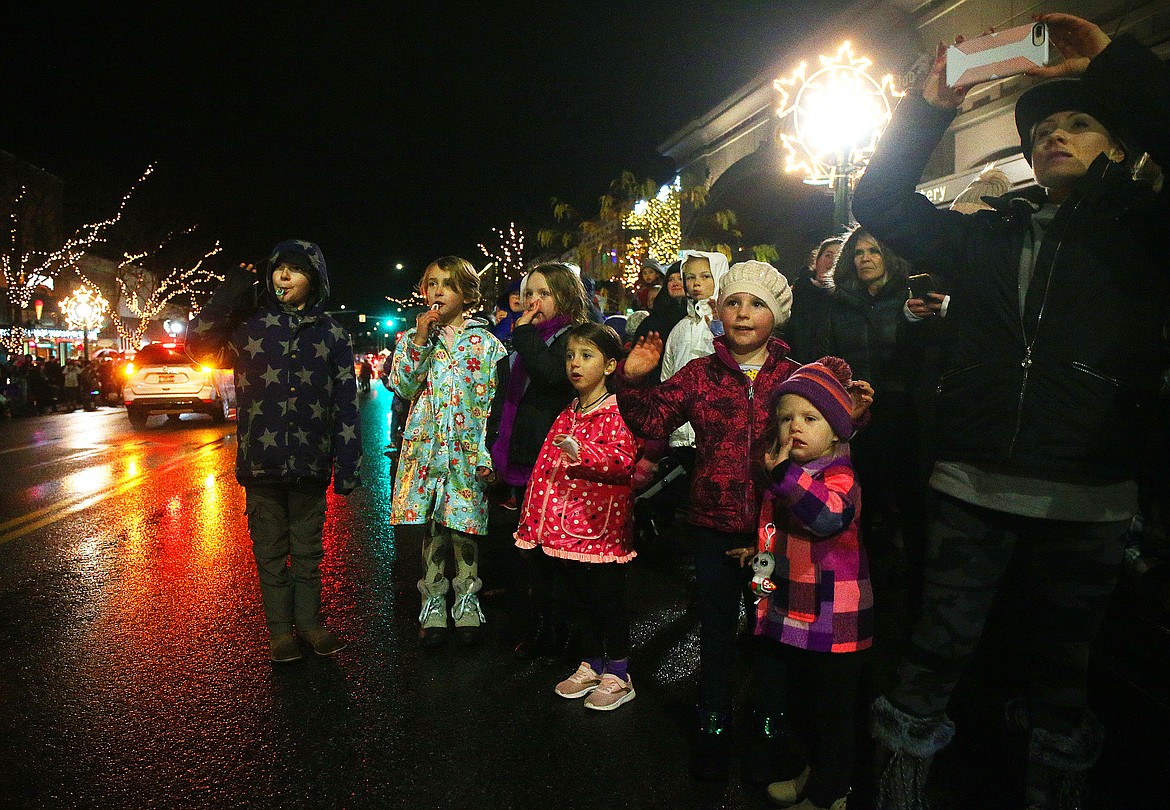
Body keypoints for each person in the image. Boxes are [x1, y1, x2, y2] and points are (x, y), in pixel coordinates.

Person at [852, 14, 1170, 809]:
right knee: (935, 655)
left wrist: (1110, 66)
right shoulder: (988, 237)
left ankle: (1053, 791)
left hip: (1088, 492)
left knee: (1066, 673)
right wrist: (926, 108)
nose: (1055, 135)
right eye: (1043, 130)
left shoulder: (1148, 234)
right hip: (972, 485)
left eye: (1080, 122)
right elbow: (880, 199)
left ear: (1122, 146)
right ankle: (902, 785)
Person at [618, 260, 873, 781]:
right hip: (712, 525)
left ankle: (768, 733)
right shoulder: (699, 373)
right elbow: (653, 419)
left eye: (757, 303)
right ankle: (713, 727)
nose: (743, 312)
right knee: (715, 629)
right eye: (733, 301)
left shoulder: (795, 374)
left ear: (776, 314)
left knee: (773, 638)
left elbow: (826, 430)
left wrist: (855, 414)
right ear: (718, 309)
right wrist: (631, 379)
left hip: (778, 527)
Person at [187, 241, 360, 663]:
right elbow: (200, 346)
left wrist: (349, 462)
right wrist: (231, 290)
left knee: (307, 552)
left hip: (310, 463)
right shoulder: (250, 328)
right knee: (269, 553)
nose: (284, 276)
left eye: (295, 270)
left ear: (315, 280)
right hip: (261, 467)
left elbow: (345, 402)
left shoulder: (333, 333)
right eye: (279, 269)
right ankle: (280, 633)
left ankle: (312, 625)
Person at [728, 357, 870, 810]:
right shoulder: (788, 475)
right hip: (795, 608)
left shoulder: (837, 475)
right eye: (786, 418)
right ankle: (814, 775)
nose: (796, 428)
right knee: (806, 707)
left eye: (811, 418)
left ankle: (832, 792)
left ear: (837, 427)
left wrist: (785, 475)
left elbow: (826, 516)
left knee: (833, 714)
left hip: (835, 619)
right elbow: (776, 527)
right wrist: (759, 558)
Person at [515, 322, 640, 711]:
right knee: (579, 599)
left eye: (586, 356)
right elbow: (544, 471)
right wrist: (533, 520)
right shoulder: (568, 411)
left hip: (599, 529)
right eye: (570, 355)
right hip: (565, 529)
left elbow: (623, 462)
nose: (574, 364)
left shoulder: (617, 410)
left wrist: (582, 454)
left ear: (609, 365)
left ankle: (619, 673)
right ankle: (591, 663)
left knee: (607, 600)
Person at [388, 256, 506, 647]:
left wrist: (489, 453)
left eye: (448, 284)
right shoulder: (413, 338)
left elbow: (496, 402)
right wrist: (420, 341)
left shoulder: (487, 344)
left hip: (468, 450)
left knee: (465, 526)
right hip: (428, 450)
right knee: (435, 525)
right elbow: (404, 387)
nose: (437, 292)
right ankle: (434, 600)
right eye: (431, 283)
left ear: (467, 293)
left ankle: (468, 599)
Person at [815, 226, 929, 607]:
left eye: (873, 251)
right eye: (859, 252)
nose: (865, 258)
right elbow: (828, 357)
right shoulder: (838, 303)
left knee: (909, 498)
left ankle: (916, 585)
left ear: (889, 257)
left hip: (900, 412)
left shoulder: (908, 300)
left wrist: (914, 323)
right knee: (859, 498)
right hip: (855, 414)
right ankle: (858, 582)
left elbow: (921, 359)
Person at [488, 262, 593, 658]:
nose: (533, 301)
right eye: (529, 293)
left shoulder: (573, 336)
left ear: (564, 295)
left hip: (553, 457)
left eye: (543, 293)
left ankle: (563, 631)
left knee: (557, 551)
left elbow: (551, 376)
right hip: (524, 450)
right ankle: (539, 625)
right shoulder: (528, 337)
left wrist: (525, 333)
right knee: (530, 551)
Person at [660, 249, 730, 471]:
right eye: (690, 277)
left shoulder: (732, 324)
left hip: (721, 434)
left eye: (705, 276)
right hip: (682, 436)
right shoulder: (680, 328)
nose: (696, 283)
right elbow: (668, 379)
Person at [784, 237, 842, 363]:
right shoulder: (794, 295)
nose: (832, 261)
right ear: (816, 261)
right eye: (828, 255)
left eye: (838, 257)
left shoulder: (845, 299)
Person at [491, 277, 524, 345]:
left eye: (521, 294)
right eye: (514, 293)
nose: (517, 297)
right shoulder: (503, 323)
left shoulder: (532, 322)